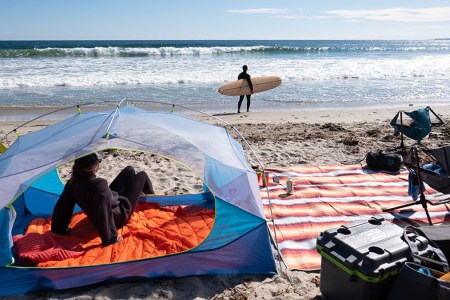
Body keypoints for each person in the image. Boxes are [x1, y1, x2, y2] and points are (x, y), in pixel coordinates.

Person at [51, 152, 155, 247]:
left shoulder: (72, 183)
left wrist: (59, 229)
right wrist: (111, 238)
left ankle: (140, 193)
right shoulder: (99, 185)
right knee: (142, 175)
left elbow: (63, 207)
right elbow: (103, 212)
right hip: (120, 214)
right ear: (93, 167)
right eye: (98, 163)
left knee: (129, 170)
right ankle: (155, 198)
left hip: (105, 204)